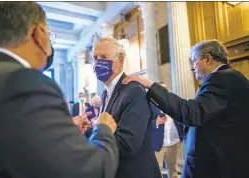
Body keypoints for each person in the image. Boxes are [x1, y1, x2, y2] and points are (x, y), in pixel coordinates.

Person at [0, 2, 119, 178]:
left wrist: (63, 129)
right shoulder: (27, 83)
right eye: (49, 34)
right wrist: (103, 129)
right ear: (38, 34)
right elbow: (89, 170)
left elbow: (17, 140)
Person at [122, 39, 249, 178]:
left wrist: (149, 85)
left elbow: (192, 113)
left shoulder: (221, 79)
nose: (192, 67)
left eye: (194, 61)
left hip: (217, 166)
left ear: (207, 59)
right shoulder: (230, 77)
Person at [93, 37, 161, 178]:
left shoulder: (133, 90)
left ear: (120, 61)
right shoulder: (106, 93)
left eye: (103, 57)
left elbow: (128, 143)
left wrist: (99, 133)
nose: (97, 62)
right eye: (95, 57)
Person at [154, 82, 184, 178]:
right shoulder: (151, 104)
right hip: (158, 144)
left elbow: (181, 119)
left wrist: (181, 136)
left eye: (165, 90)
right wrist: (156, 122)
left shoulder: (173, 104)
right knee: (156, 170)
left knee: (173, 169)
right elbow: (144, 121)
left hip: (173, 143)